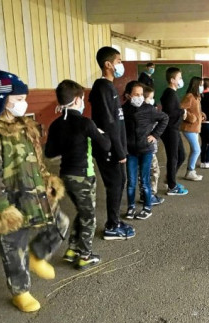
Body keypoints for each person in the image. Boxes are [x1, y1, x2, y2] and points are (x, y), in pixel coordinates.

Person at [0, 64, 69, 312]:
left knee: (61, 223)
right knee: (14, 248)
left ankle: (38, 255)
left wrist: (46, 179)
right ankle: (20, 291)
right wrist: (1, 209)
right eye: (19, 99)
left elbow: (36, 158)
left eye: (25, 98)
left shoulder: (25, 125)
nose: (23, 103)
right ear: (2, 99)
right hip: (10, 201)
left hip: (35, 193)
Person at [45, 80, 111, 270]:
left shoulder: (56, 124)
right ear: (76, 100)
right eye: (82, 99)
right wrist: (99, 132)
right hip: (83, 175)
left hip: (65, 175)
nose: (83, 102)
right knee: (89, 216)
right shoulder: (85, 123)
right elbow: (105, 145)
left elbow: (49, 152)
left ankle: (73, 249)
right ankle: (85, 255)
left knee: (83, 211)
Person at [89, 46, 135, 240]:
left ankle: (114, 220)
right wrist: (119, 151)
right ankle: (111, 227)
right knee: (115, 184)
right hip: (109, 148)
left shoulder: (109, 87)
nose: (120, 65)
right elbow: (108, 124)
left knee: (120, 182)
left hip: (116, 146)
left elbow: (117, 121)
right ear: (108, 64)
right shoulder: (102, 88)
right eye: (118, 61)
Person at [123, 83, 168, 220]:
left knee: (145, 180)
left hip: (146, 150)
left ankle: (147, 207)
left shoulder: (149, 109)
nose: (139, 97)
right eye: (136, 94)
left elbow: (164, 118)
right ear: (128, 96)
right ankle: (131, 207)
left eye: (141, 94)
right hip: (130, 151)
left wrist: (155, 135)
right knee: (131, 182)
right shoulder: (123, 110)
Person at [160, 67, 188, 195]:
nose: (181, 80)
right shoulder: (169, 93)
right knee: (173, 157)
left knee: (181, 155)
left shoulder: (172, 93)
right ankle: (172, 186)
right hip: (170, 129)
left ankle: (170, 178)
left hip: (174, 129)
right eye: (179, 78)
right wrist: (183, 111)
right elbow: (170, 113)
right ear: (172, 80)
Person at [139, 85, 165, 205]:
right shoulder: (149, 111)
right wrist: (155, 135)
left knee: (143, 173)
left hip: (142, 148)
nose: (152, 100)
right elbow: (163, 120)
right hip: (148, 148)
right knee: (154, 171)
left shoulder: (143, 110)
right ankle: (150, 196)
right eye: (151, 98)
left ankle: (145, 195)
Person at [180, 76, 205, 180]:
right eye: (200, 85)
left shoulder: (196, 97)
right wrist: (192, 118)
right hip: (189, 127)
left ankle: (191, 171)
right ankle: (190, 171)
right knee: (196, 150)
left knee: (195, 149)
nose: (202, 87)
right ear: (196, 85)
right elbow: (181, 109)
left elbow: (194, 109)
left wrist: (201, 114)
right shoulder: (189, 96)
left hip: (195, 128)